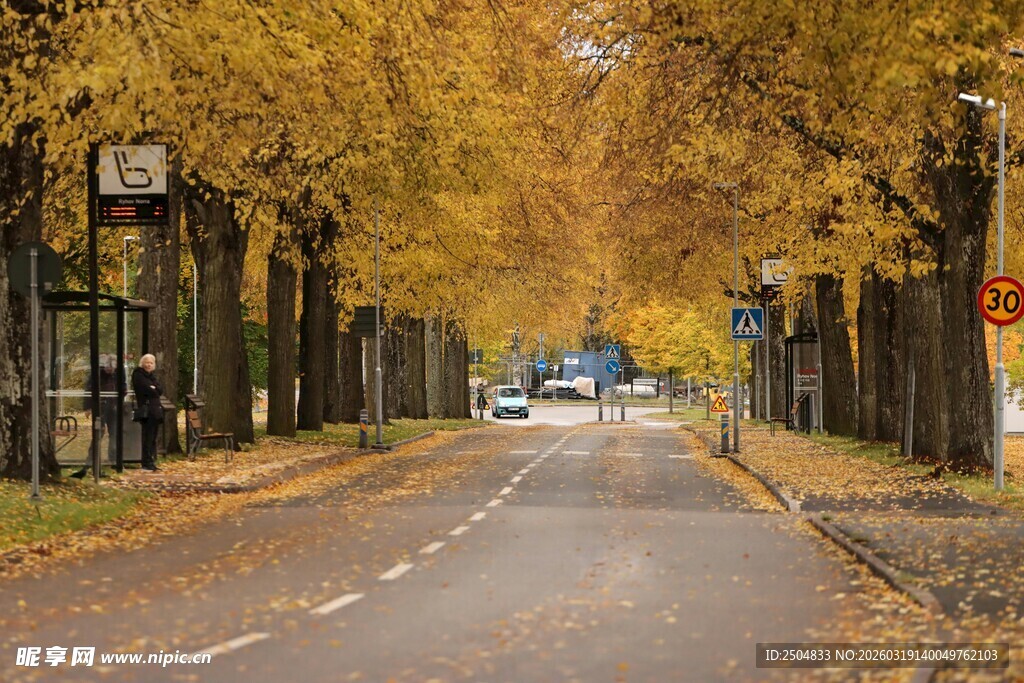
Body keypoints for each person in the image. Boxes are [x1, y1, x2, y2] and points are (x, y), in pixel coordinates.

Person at [132, 354, 164, 471]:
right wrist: (153, 388)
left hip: (155, 411)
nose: (149, 365)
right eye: (147, 362)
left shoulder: (151, 376)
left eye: (151, 363)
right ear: (142, 363)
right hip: (147, 410)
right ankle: (146, 462)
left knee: (153, 437)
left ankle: (150, 460)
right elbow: (148, 390)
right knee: (148, 436)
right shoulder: (138, 374)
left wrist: (154, 388)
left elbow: (160, 390)